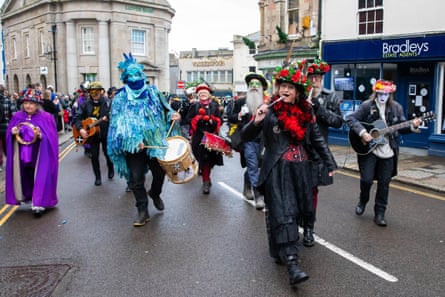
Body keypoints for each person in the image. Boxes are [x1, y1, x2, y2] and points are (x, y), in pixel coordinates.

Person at [241, 63, 337, 286]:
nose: (285, 90)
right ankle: (293, 265)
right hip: (277, 170)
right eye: (283, 86)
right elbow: (245, 136)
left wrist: (329, 161)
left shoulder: (307, 110)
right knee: (283, 214)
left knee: (296, 212)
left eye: (290, 88)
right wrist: (256, 121)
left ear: (298, 92)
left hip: (301, 170)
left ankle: (281, 249)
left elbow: (317, 139)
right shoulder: (270, 110)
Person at [107, 52, 181, 227]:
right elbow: (116, 124)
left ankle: (155, 193)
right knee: (136, 178)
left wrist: (173, 115)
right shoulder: (120, 98)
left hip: (155, 142)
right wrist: (132, 141)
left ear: (143, 76)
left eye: (137, 75)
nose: (134, 79)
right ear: (125, 78)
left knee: (159, 173)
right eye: (130, 76)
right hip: (134, 147)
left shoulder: (154, 93)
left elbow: (167, 109)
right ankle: (142, 210)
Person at [345, 79, 422, 227]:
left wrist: (413, 126)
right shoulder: (367, 106)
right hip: (370, 150)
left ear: (390, 94)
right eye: (380, 93)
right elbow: (350, 118)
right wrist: (362, 133)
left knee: (384, 184)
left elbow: (403, 128)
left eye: (385, 94)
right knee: (366, 180)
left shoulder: (396, 108)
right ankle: (363, 200)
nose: (382, 96)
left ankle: (380, 213)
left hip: (388, 151)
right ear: (376, 92)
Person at [301, 59, 344, 247]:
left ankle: (309, 228)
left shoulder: (330, 97)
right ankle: (294, 224)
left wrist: (318, 107)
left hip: (317, 152)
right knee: (295, 190)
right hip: (297, 150)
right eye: (311, 78)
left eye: (317, 78)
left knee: (312, 191)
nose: (314, 82)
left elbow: (337, 122)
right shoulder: (299, 96)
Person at [5, 88, 59, 217]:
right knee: (25, 175)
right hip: (22, 154)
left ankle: (39, 202)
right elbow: (9, 133)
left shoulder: (46, 117)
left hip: (39, 153)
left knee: (40, 175)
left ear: (38, 105)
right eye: (26, 103)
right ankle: (27, 196)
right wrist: (12, 133)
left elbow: (52, 137)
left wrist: (41, 136)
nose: (28, 106)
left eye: (32, 103)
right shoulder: (18, 116)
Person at [228, 72, 269, 209]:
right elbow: (231, 117)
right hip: (247, 139)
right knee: (252, 165)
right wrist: (239, 115)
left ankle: (247, 184)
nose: (254, 87)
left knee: (260, 166)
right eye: (251, 84)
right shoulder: (240, 102)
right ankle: (258, 195)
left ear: (262, 87)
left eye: (257, 84)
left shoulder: (268, 102)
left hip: (265, 140)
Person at [72, 81, 114, 186]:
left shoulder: (108, 102)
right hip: (92, 135)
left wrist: (110, 119)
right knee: (94, 156)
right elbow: (77, 117)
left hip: (105, 132)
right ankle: (98, 177)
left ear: (101, 92)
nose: (95, 95)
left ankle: (111, 168)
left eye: (97, 92)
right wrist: (80, 128)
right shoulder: (85, 104)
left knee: (107, 154)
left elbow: (115, 116)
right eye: (92, 92)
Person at [185, 83, 223, 194]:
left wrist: (213, 120)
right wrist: (196, 119)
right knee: (201, 158)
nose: (203, 95)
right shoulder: (195, 106)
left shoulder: (214, 106)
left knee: (209, 160)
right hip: (198, 137)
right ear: (198, 95)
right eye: (201, 93)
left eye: (205, 93)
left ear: (209, 95)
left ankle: (206, 179)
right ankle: (206, 179)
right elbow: (187, 118)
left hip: (211, 137)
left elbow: (220, 119)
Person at [0, 84, 18, 170]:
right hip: (6, 127)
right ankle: (11, 162)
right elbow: (15, 116)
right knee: (7, 146)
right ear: (4, 92)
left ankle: (0, 164)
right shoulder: (8, 101)